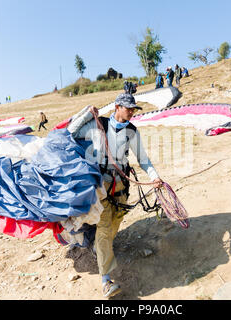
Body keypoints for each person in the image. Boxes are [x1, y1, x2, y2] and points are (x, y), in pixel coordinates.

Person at [67, 93, 163, 298]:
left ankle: (100, 249)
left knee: (114, 225)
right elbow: (71, 131)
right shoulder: (96, 125)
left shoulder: (132, 131)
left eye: (133, 109)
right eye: (128, 108)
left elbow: (143, 159)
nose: (131, 112)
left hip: (122, 187)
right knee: (103, 229)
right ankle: (106, 280)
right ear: (117, 107)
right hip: (101, 187)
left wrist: (154, 176)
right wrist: (86, 113)